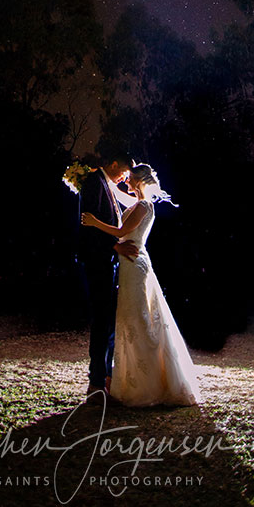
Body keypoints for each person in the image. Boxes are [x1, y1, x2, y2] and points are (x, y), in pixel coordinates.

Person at [81, 163, 201, 407]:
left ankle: (148, 381)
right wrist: (86, 177)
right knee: (129, 320)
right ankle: (128, 377)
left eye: (129, 178)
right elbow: (113, 194)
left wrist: (95, 223)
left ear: (138, 181)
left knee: (138, 319)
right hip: (128, 264)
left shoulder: (144, 205)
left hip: (134, 264)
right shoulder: (136, 202)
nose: (125, 180)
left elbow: (122, 230)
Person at [77, 154, 138, 398]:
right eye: (124, 170)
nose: (124, 177)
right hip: (97, 260)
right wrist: (115, 246)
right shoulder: (94, 181)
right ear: (114, 163)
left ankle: (107, 378)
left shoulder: (105, 183)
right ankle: (96, 381)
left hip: (107, 262)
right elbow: (88, 223)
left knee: (109, 321)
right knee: (102, 321)